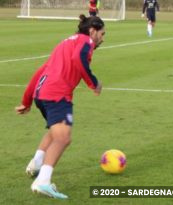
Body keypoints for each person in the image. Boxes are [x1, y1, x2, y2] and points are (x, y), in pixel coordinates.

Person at [15, 14, 105, 199]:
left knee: (56, 132)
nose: (102, 38)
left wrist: (27, 100)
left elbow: (41, 70)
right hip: (57, 94)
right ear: (92, 31)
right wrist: (93, 83)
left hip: (42, 93)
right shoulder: (86, 41)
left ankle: (36, 163)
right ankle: (43, 182)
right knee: (63, 138)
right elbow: (79, 60)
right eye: (102, 34)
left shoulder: (65, 42)